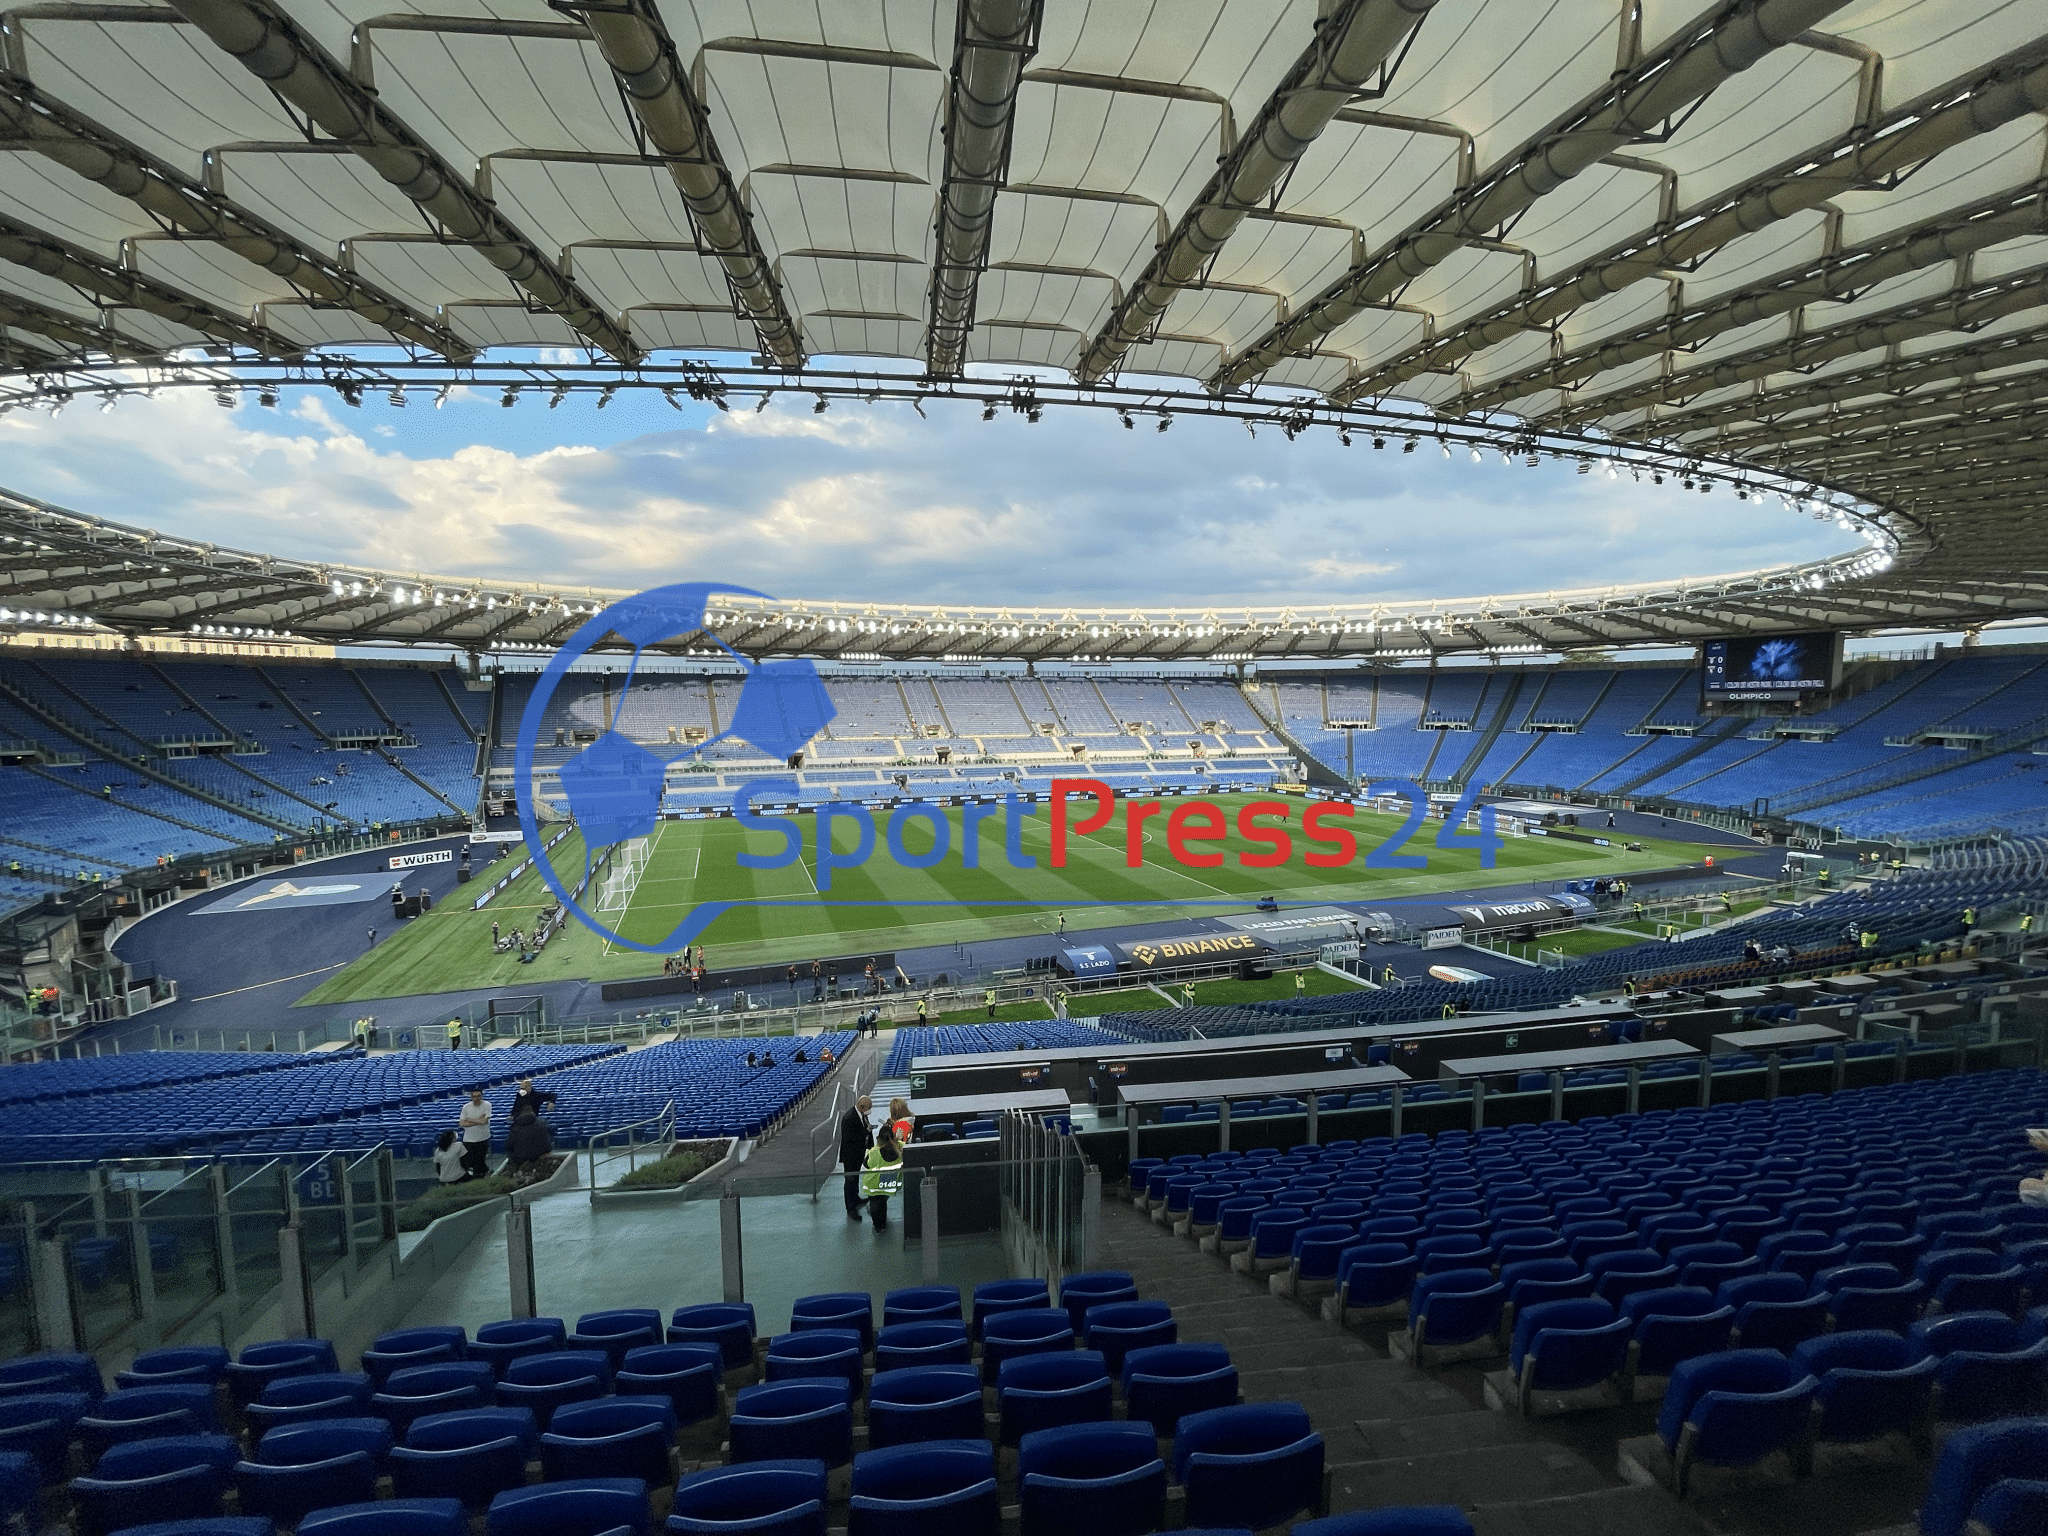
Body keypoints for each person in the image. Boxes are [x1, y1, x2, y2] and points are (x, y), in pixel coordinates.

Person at [860, 1125, 903, 1230]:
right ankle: (883, 1224)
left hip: (873, 1185)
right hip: (889, 1184)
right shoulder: (900, 1149)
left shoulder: (874, 1152)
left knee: (875, 1205)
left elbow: (866, 1164)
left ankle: (877, 1226)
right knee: (882, 1202)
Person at [839, 1094, 874, 1219]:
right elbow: (850, 1138)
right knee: (850, 1180)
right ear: (861, 1106)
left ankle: (856, 1198)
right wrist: (866, 1131)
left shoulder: (862, 1115)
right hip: (850, 1155)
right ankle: (850, 1207)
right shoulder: (849, 1117)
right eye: (868, 1107)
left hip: (859, 1152)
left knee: (855, 1178)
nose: (869, 1110)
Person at [504, 1108, 553, 1183]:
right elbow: (551, 1135)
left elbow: (508, 1145)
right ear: (533, 1112)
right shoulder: (542, 1122)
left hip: (519, 1158)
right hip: (541, 1157)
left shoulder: (515, 1127)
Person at [458, 1088, 492, 1179]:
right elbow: (461, 1123)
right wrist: (478, 1120)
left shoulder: (487, 1105)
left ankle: (481, 1176)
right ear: (471, 1097)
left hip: (483, 1138)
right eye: (474, 1096)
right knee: (470, 1161)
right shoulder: (466, 1107)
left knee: (480, 1159)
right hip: (469, 1139)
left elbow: (484, 1121)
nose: (476, 1098)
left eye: (478, 1096)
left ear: (481, 1096)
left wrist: (469, 1120)